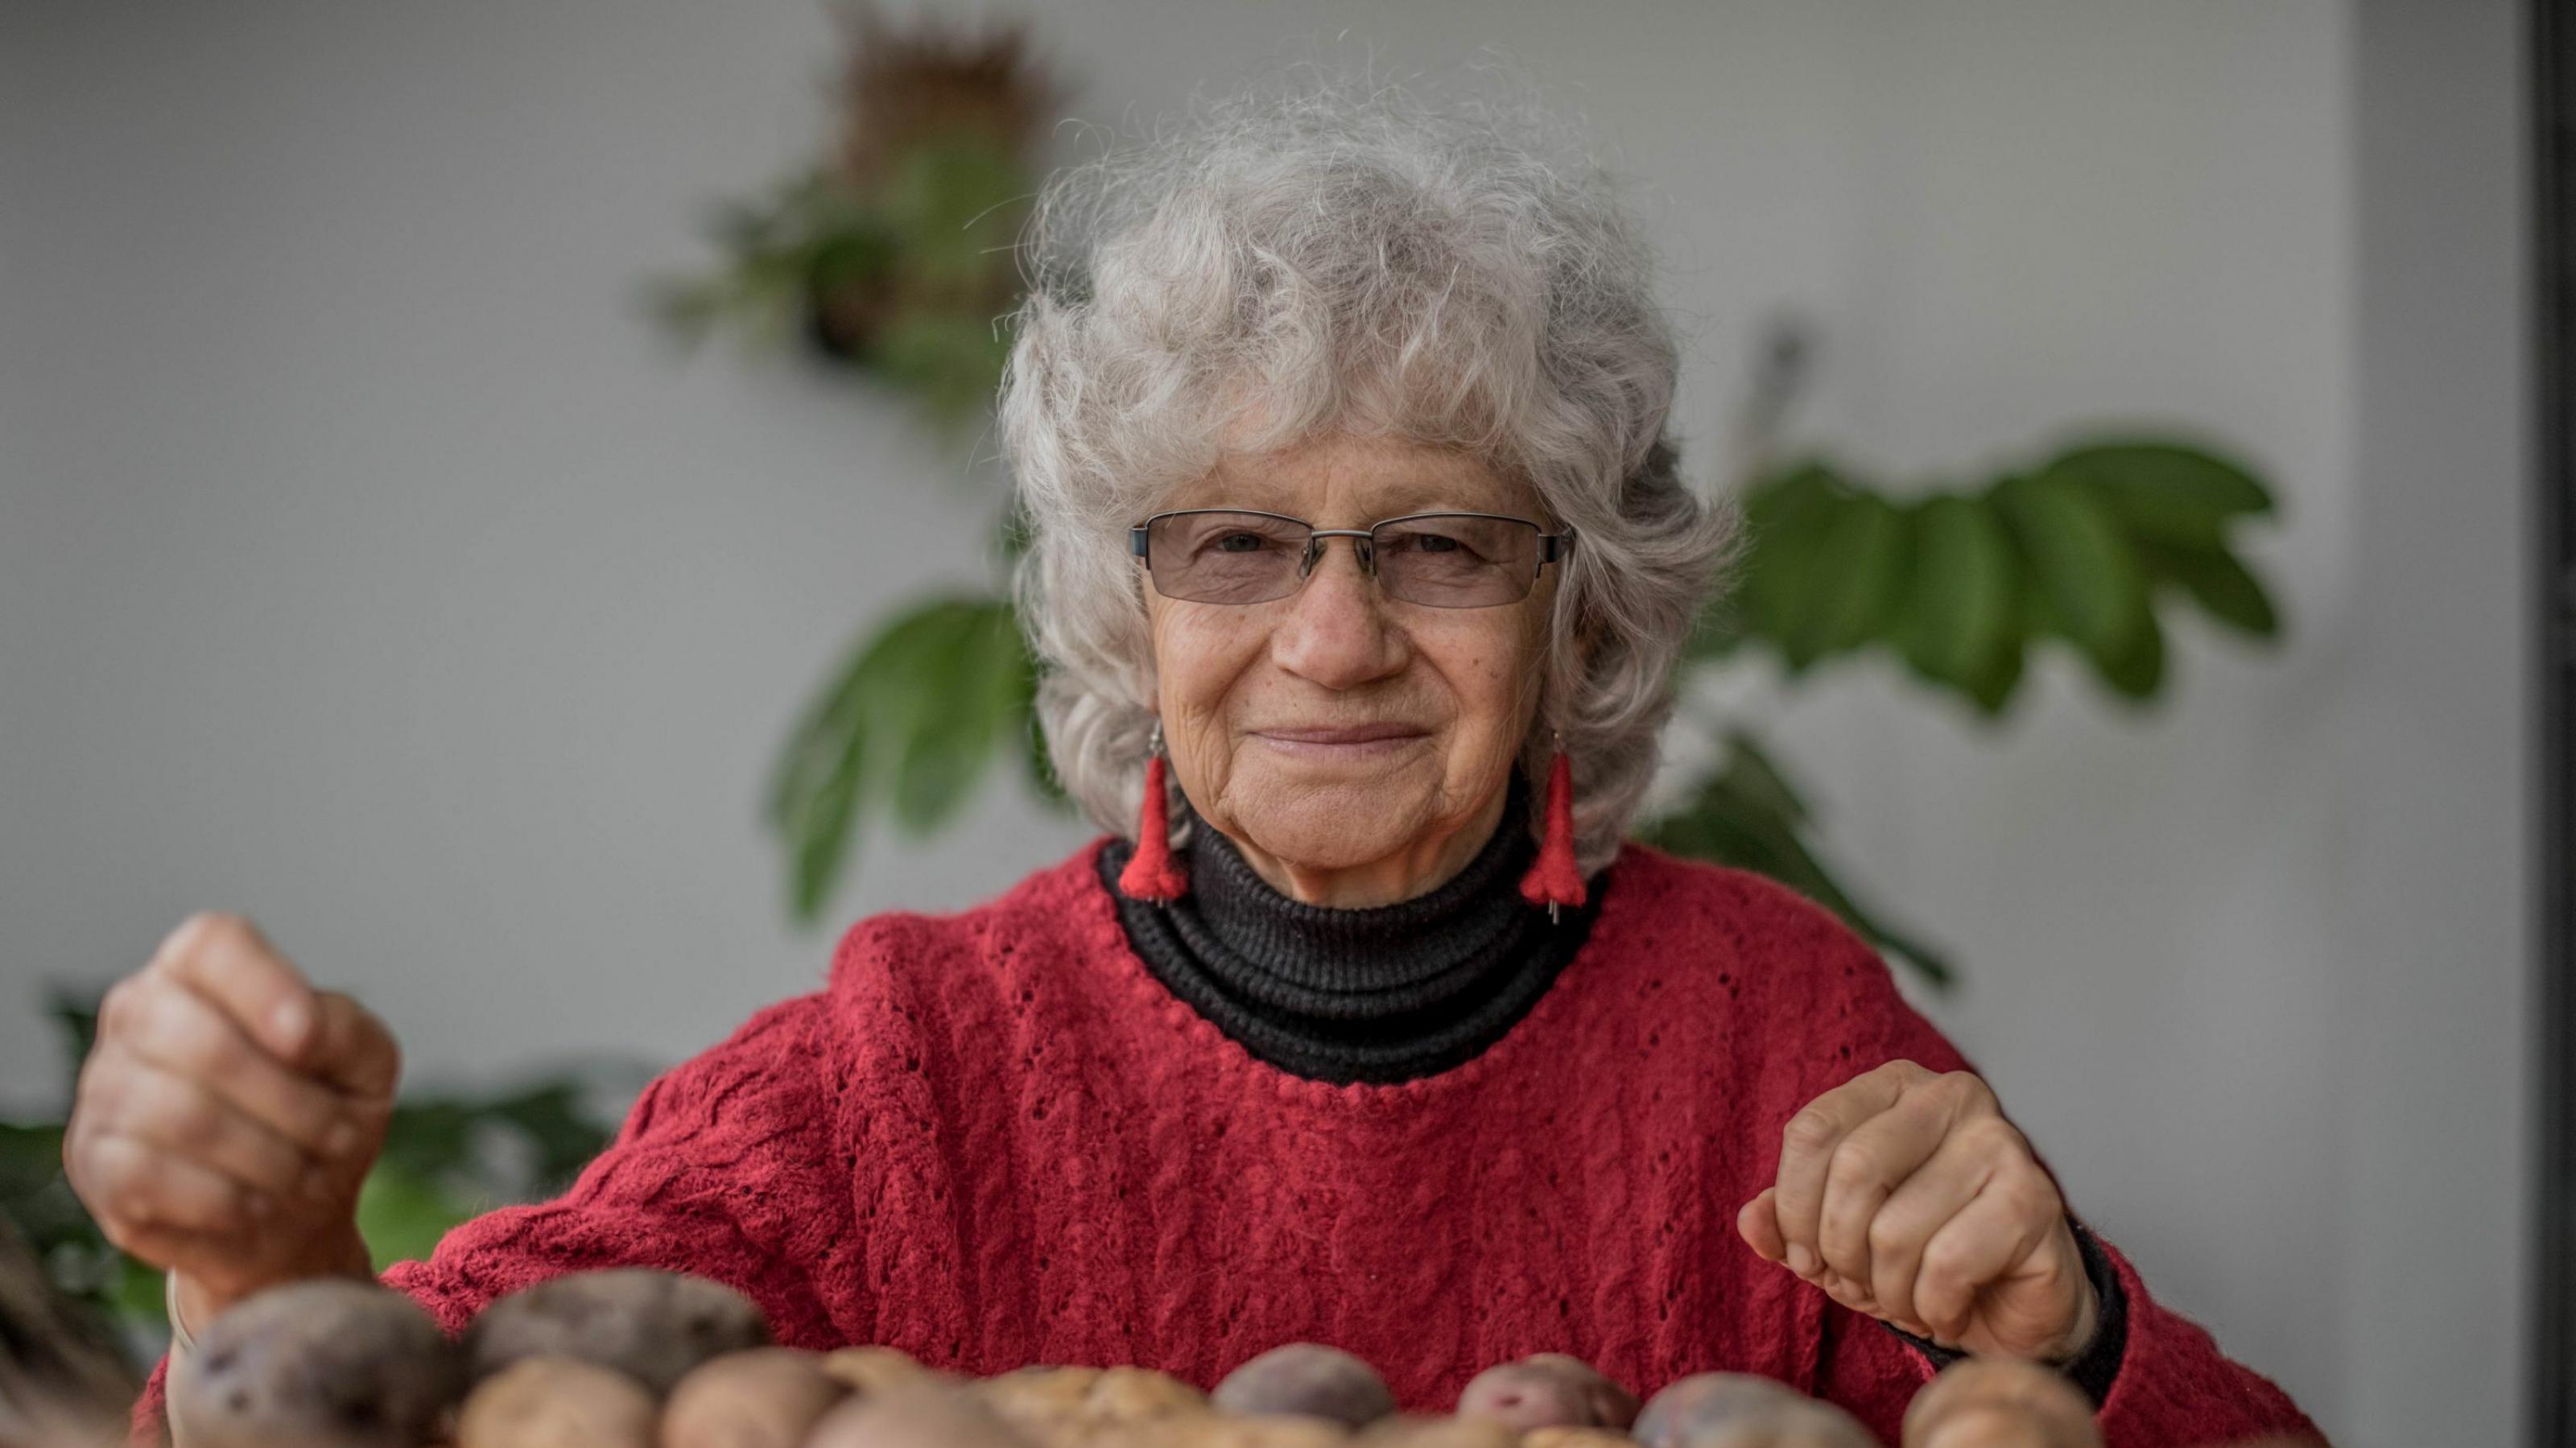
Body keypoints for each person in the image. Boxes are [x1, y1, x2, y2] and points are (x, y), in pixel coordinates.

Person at [68, 68, 2322, 1448]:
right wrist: (260, 1270)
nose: (1331, 639)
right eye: (1238, 542)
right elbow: (416, 1405)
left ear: (1576, 608)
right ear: (1131, 607)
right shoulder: (909, 1067)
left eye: (1438, 545)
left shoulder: (1773, 1032)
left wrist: (2078, 1337)